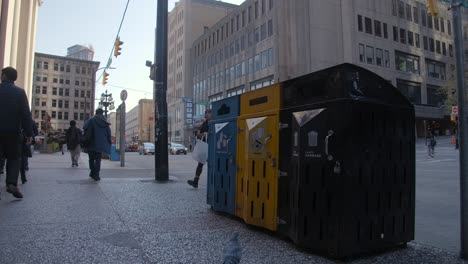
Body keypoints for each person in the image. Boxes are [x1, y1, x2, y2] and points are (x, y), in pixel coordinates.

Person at [0, 67, 33, 198]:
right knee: (14, 158)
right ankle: (12, 183)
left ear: (4, 76)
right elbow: (26, 115)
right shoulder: (20, 93)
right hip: (13, 132)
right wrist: (29, 133)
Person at [83, 108, 111, 181]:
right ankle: (96, 174)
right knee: (98, 160)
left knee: (91, 159)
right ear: (102, 113)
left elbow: (84, 127)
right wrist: (109, 141)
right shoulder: (105, 122)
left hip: (91, 142)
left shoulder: (91, 120)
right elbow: (108, 133)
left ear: (96, 113)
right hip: (100, 144)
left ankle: (92, 172)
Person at [187, 109, 211, 188]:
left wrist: (205, 133)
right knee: (200, 164)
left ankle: (212, 182)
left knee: (211, 165)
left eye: (209, 113)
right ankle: (195, 181)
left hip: (211, 146)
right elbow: (200, 132)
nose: (207, 115)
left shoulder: (213, 122)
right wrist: (198, 134)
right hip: (204, 145)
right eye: (206, 114)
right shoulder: (204, 123)